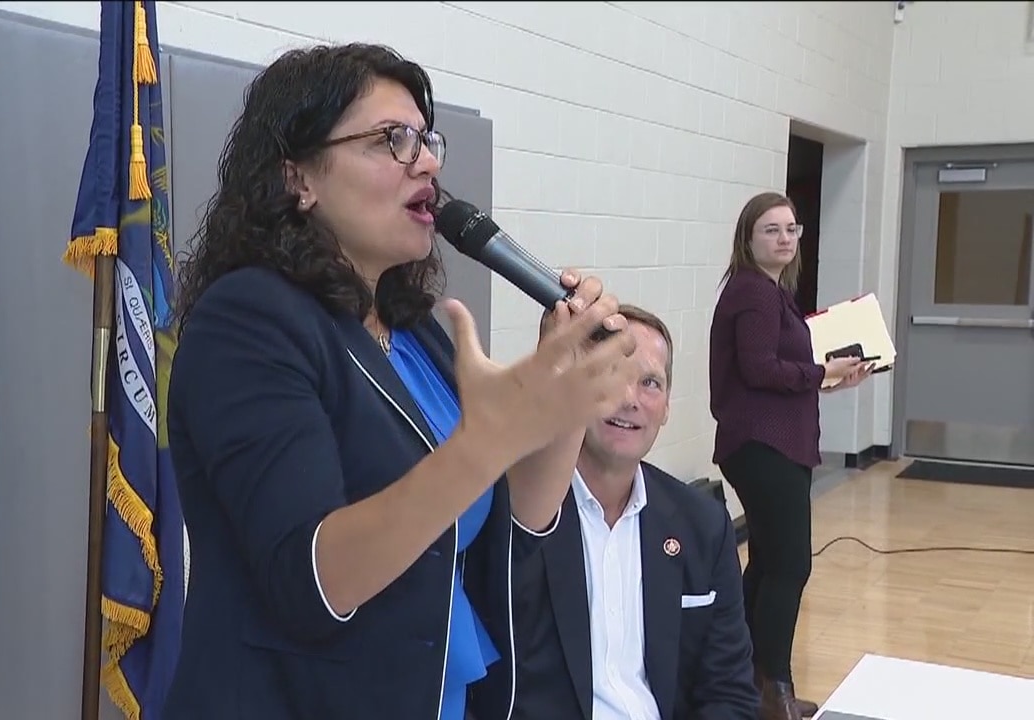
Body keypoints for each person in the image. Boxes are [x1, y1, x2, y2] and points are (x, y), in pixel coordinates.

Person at [162, 42, 640, 720]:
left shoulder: (410, 329)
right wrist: (486, 443)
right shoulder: (247, 320)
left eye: (426, 139)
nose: (429, 163)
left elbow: (521, 520)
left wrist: (562, 387)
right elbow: (312, 582)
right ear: (299, 179)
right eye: (393, 139)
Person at [469, 304, 760, 720]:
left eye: (650, 383)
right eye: (611, 375)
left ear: (667, 406)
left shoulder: (703, 526)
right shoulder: (518, 513)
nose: (629, 400)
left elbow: (730, 692)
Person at [708, 191, 874, 720]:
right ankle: (772, 691)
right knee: (790, 567)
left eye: (791, 229)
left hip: (770, 441)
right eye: (771, 229)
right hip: (765, 446)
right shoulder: (755, 293)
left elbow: (772, 373)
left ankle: (743, 680)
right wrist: (820, 372)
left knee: (768, 565)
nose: (784, 238)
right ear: (748, 238)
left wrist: (827, 379)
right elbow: (759, 369)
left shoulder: (768, 291)